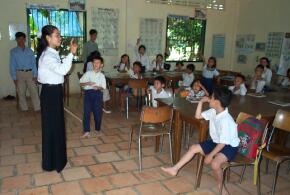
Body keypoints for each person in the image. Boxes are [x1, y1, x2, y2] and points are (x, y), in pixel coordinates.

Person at [161, 87, 239, 192]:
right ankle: (175, 169)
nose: (209, 99)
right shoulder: (213, 111)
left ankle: (221, 186)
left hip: (229, 146)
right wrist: (201, 102)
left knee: (215, 164)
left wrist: (210, 155)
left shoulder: (226, 120)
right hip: (217, 141)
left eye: (211, 97)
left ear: (217, 102)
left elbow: (223, 143)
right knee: (193, 148)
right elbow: (198, 116)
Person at [37, 25, 78, 172]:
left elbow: (60, 71)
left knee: (55, 127)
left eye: (59, 35)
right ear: (48, 38)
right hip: (50, 93)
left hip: (53, 92)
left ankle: (54, 161)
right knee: (53, 128)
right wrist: (71, 54)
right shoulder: (48, 55)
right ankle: (52, 162)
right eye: (57, 35)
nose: (60, 38)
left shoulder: (52, 53)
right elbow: (62, 70)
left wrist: (68, 55)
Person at [10, 32, 40, 111]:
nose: (21, 41)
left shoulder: (30, 51)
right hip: (19, 74)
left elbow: (33, 64)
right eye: (19, 39)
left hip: (30, 73)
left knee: (34, 91)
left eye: (22, 39)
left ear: (25, 39)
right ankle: (24, 109)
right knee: (21, 93)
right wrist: (14, 78)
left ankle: (37, 108)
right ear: (16, 40)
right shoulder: (13, 51)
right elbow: (12, 65)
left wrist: (35, 75)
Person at [80, 56, 106, 138]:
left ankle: (97, 129)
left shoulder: (102, 75)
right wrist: (87, 83)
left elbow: (103, 87)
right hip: (88, 94)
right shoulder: (88, 73)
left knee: (97, 113)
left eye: (98, 63)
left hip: (97, 94)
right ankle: (86, 131)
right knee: (86, 112)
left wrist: (98, 87)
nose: (96, 64)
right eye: (94, 62)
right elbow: (80, 83)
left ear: (101, 65)